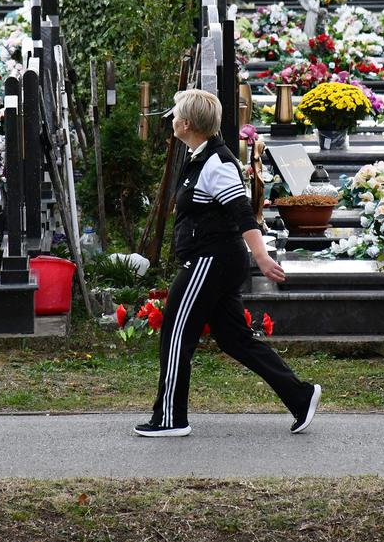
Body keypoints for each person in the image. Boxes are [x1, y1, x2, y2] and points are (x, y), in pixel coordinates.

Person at [134, 89, 321, 438]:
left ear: (187, 124)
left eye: (176, 114)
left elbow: (242, 213)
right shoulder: (200, 157)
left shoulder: (216, 163)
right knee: (235, 339)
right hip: (215, 259)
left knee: (176, 334)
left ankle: (170, 418)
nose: (172, 119)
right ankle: (300, 395)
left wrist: (261, 256)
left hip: (210, 260)